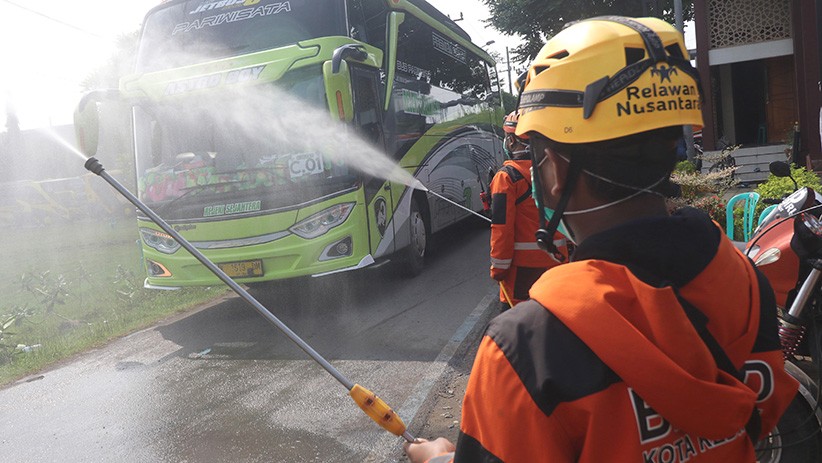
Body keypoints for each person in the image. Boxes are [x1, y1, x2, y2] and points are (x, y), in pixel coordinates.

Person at [405, 16, 797, 462]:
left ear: (553, 170)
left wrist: (439, 459)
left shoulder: (523, 351)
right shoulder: (743, 279)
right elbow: (759, 418)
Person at [489, 111, 567, 309]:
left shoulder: (506, 177)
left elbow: (501, 228)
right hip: (558, 264)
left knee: (516, 332)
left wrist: (498, 269)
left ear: (512, 140)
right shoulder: (554, 169)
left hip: (523, 274)